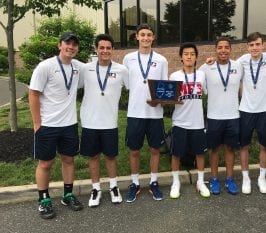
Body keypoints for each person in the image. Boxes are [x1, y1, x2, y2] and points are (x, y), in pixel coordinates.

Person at [29, 32, 84, 219]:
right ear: (59, 45)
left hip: (69, 124)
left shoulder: (78, 67)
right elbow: (33, 94)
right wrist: (37, 123)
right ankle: (44, 200)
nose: (71, 47)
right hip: (48, 125)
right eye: (67, 43)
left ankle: (67, 195)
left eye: (75, 44)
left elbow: (98, 68)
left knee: (68, 160)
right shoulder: (45, 67)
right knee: (45, 162)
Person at [79, 34, 128, 207]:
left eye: (108, 48)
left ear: (112, 49)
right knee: (93, 156)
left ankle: (113, 187)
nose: (105, 51)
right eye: (102, 47)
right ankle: (95, 189)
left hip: (109, 121)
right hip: (89, 121)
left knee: (110, 156)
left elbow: (133, 87)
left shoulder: (121, 70)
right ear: (96, 49)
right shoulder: (85, 69)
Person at [122, 23, 168, 202]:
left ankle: (154, 182)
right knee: (134, 150)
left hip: (155, 113)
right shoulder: (128, 58)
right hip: (135, 113)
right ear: (137, 37)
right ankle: (134, 183)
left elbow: (164, 87)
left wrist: (160, 100)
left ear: (153, 37)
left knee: (155, 149)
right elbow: (127, 85)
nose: (146, 38)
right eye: (143, 35)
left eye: (149, 35)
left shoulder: (162, 60)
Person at [236, 32, 266, 194]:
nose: (254, 47)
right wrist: (211, 61)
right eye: (251, 45)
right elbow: (227, 67)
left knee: (264, 146)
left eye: (257, 44)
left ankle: (262, 178)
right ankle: (246, 178)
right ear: (247, 47)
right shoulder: (242, 61)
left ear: (263, 45)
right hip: (246, 110)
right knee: (244, 146)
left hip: (265, 110)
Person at [199, 37, 243, 195]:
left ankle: (230, 179)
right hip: (214, 116)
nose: (223, 50)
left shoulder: (238, 66)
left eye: (226, 47)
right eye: (220, 47)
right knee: (215, 149)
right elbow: (200, 89)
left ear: (230, 49)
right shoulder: (206, 67)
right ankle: (215, 179)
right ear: (215, 50)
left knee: (230, 149)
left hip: (233, 115)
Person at [168, 43, 210, 199]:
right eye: (186, 54)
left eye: (192, 54)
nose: (189, 56)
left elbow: (205, 91)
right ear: (181, 57)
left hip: (197, 122)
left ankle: (200, 181)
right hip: (179, 122)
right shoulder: (174, 76)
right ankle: (175, 181)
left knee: (200, 153)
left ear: (196, 57)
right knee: (176, 154)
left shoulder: (201, 75)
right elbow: (170, 99)